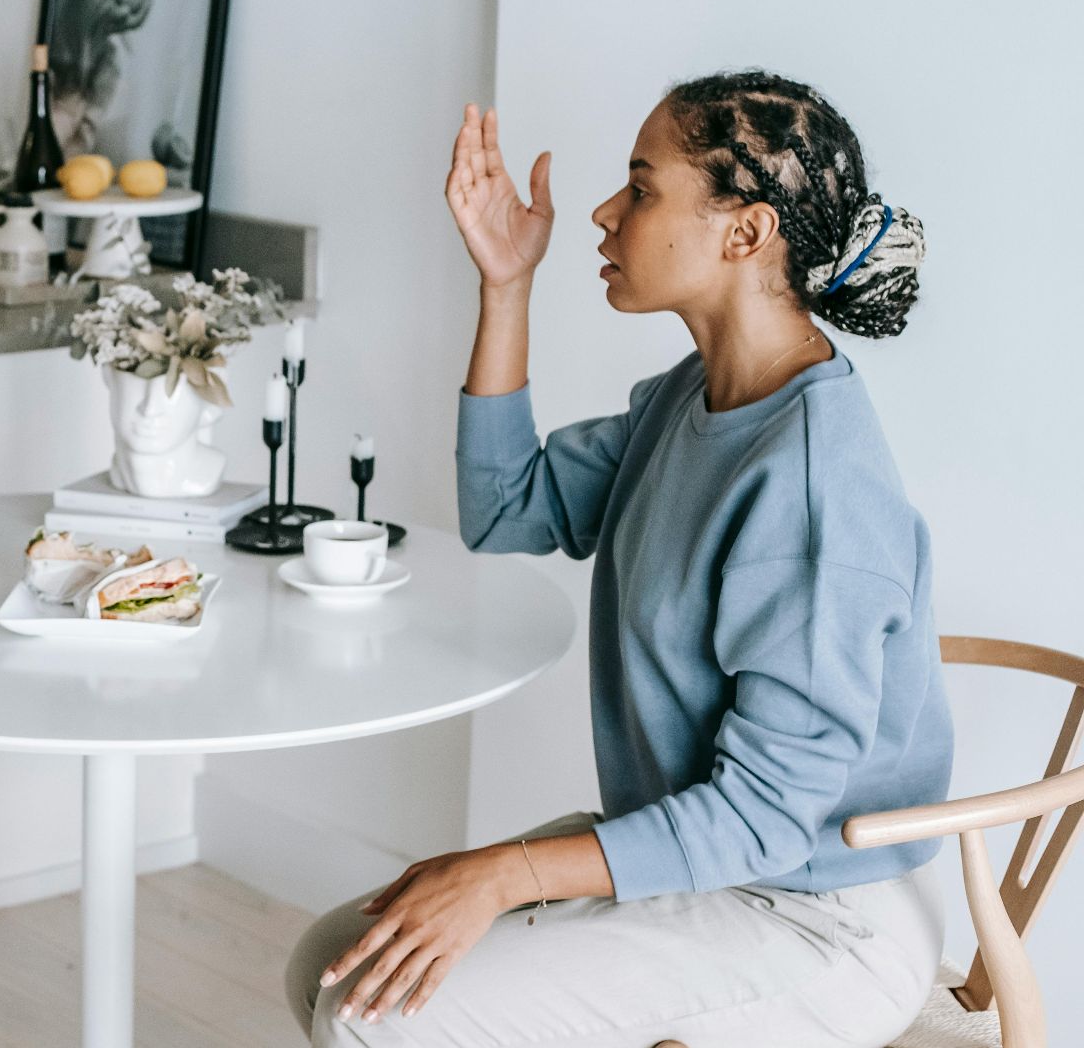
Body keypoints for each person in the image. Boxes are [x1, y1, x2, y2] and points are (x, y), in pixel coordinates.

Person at [286, 71, 951, 1047]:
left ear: (746, 232)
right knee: (332, 959)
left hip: (817, 914)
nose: (604, 211)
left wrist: (507, 871)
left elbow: (767, 821)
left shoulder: (814, 488)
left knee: (373, 1012)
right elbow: (508, 507)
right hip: (714, 872)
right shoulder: (695, 396)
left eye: (641, 189)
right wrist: (505, 285)